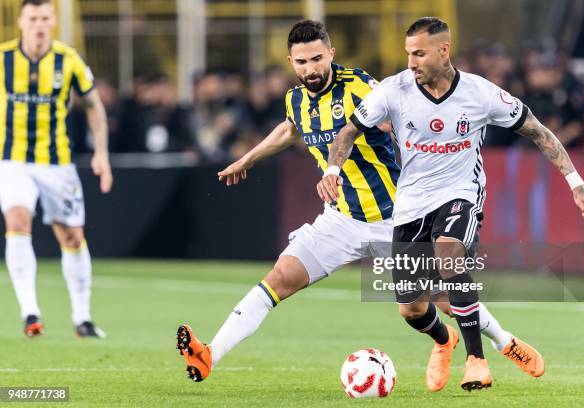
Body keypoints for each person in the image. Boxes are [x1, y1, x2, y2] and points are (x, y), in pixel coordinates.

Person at [175, 20, 544, 389]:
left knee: (442, 297)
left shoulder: (361, 86)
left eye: (317, 59)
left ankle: (504, 341)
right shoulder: (296, 100)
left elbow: (402, 112)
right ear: (291, 61)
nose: (310, 69)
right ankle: (209, 354)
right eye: (301, 62)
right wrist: (248, 159)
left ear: (331, 54)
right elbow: (290, 129)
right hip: (341, 219)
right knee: (279, 278)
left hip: (396, 215)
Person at [318, 17, 584, 391]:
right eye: (408, 54)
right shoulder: (393, 90)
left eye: (419, 53)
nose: (411, 62)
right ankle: (448, 341)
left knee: (449, 257)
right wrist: (333, 169)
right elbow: (349, 130)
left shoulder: (481, 94)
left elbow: (538, 132)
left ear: (443, 50)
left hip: (460, 192)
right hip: (411, 202)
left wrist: (576, 183)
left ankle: (476, 361)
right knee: (412, 308)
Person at [0, 0, 112, 337]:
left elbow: (94, 106)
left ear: (53, 22)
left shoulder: (69, 59)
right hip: (13, 160)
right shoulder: (3, 58)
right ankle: (30, 314)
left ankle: (83, 319)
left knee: (72, 237)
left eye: (44, 18)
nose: (38, 24)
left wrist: (101, 154)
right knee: (17, 221)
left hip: (57, 163)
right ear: (21, 21)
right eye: (32, 18)